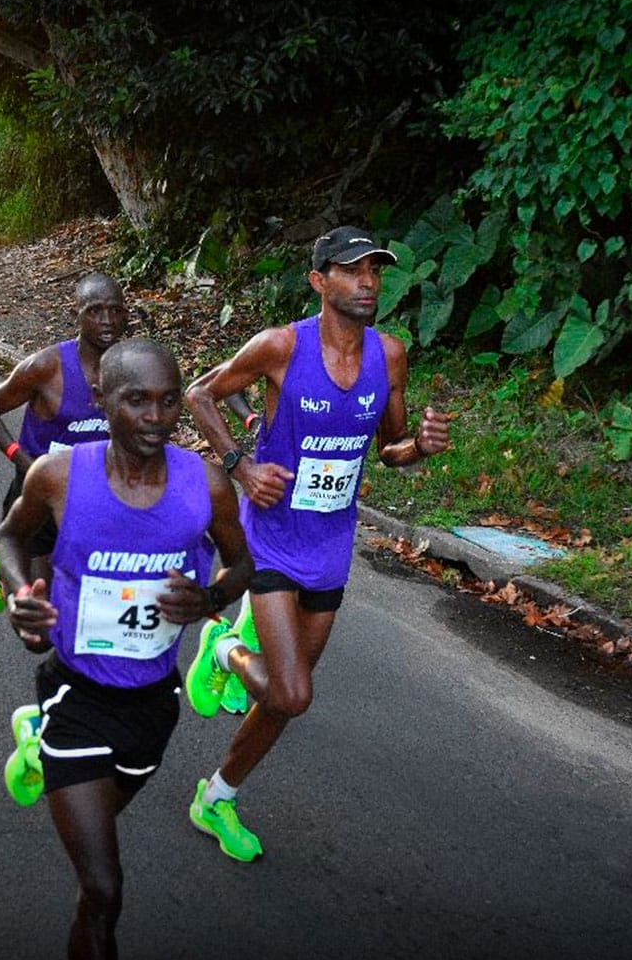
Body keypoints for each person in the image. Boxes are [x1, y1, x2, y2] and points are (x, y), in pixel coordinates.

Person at [182, 225, 452, 861]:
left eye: (375, 272)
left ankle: (215, 796)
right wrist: (241, 465)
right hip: (272, 538)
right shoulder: (279, 347)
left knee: (281, 704)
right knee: (292, 692)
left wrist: (422, 447)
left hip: (331, 545)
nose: (367, 283)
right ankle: (223, 651)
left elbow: (390, 447)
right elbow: (199, 393)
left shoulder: (389, 355)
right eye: (353, 270)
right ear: (319, 281)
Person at [0, 337, 252, 960]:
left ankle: (35, 753)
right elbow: (12, 538)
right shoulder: (58, 477)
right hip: (75, 695)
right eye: (136, 400)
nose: (155, 417)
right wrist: (19, 594)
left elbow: (244, 562)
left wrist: (211, 597)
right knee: (104, 888)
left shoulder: (206, 486)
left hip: (151, 706)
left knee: (97, 838)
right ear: (105, 402)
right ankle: (47, 739)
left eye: (169, 402)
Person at [0, 272, 128, 614]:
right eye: (95, 311)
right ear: (76, 314)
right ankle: (1, 564)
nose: (107, 321)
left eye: (115, 311)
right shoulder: (47, 367)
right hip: (38, 491)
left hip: (94, 494)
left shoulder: (129, 367)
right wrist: (23, 461)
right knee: (40, 611)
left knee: (89, 603)